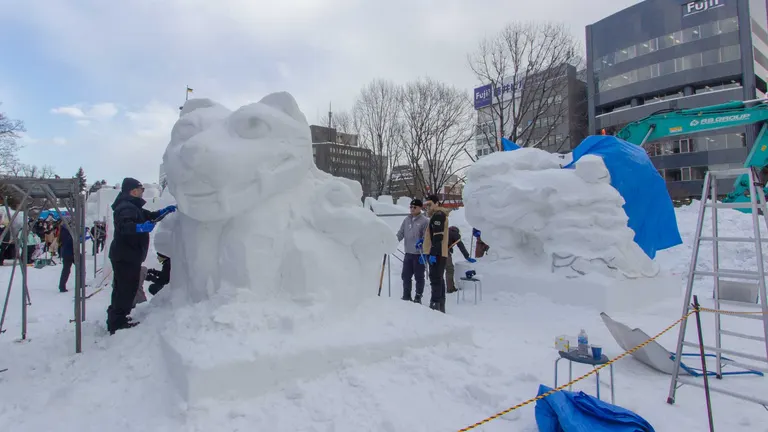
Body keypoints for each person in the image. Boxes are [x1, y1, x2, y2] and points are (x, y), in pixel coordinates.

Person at [106, 177, 176, 335]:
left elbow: (150, 216)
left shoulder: (132, 206)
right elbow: (125, 226)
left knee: (123, 288)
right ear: (133, 190)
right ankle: (117, 322)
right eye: (141, 189)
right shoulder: (126, 207)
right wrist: (140, 227)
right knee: (125, 289)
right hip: (126, 255)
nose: (142, 192)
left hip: (128, 254)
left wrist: (163, 212)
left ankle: (116, 317)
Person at [396, 199, 429, 303]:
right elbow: (401, 233)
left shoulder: (425, 221)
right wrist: (392, 241)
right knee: (405, 275)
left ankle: (418, 297)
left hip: (419, 254)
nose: (412, 209)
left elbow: (426, 237)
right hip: (408, 253)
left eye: (415, 207)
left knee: (419, 276)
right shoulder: (407, 220)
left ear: (420, 208)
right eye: (411, 207)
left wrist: (422, 241)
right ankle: (406, 295)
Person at [422, 194, 450, 313]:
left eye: (429, 204)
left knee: (435, 279)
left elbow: (438, 237)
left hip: (437, 253)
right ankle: (440, 305)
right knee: (439, 279)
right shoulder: (436, 215)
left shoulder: (438, 216)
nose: (427, 207)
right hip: (438, 252)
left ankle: (435, 306)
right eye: (426, 205)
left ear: (436, 203)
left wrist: (432, 252)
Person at [445, 226, 476, 294]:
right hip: (444, 252)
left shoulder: (445, 231)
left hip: (434, 251)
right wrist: (467, 256)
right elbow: (461, 246)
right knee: (449, 269)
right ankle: (450, 289)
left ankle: (439, 287)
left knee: (439, 270)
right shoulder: (455, 234)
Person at [58, 221, 75, 293]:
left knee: (67, 270)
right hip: (69, 252)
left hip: (70, 252)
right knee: (66, 270)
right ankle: (62, 286)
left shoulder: (64, 231)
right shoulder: (65, 232)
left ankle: (62, 286)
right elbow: (69, 241)